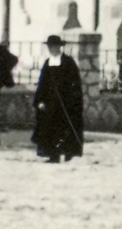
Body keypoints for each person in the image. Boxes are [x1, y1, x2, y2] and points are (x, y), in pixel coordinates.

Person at [31, 34, 83, 162]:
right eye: (50, 46)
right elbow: (42, 84)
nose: (52, 49)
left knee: (65, 128)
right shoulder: (47, 63)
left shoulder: (68, 62)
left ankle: (67, 151)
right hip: (50, 104)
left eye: (54, 46)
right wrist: (39, 101)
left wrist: (72, 100)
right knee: (49, 127)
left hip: (65, 103)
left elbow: (74, 83)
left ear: (60, 47)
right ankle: (52, 154)